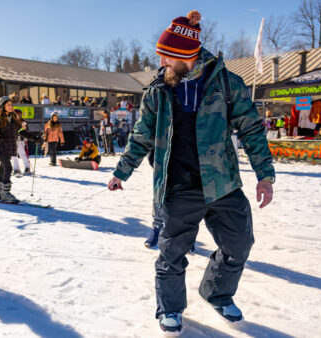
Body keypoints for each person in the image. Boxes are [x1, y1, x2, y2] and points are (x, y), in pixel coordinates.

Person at [107, 10, 275, 335]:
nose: (161, 61)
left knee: (239, 243)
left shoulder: (227, 83)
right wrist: (121, 172)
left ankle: (217, 292)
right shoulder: (158, 90)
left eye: (168, 57)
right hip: (179, 185)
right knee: (171, 252)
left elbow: (252, 129)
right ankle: (170, 308)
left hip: (223, 183)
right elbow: (142, 134)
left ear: (187, 56)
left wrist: (264, 175)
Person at [0, 96, 41, 202]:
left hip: (11, 147)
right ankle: (5, 193)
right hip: (2, 147)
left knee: (3, 168)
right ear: (2, 106)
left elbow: (21, 132)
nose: (11, 106)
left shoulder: (13, 119)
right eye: (8, 105)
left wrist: (34, 138)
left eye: (11, 104)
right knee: (8, 168)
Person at [11, 109, 32, 176]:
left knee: (22, 154)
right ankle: (16, 169)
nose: (18, 116)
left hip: (20, 140)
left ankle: (27, 168)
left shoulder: (23, 122)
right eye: (16, 114)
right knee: (14, 155)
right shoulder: (11, 122)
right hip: (13, 140)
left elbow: (27, 130)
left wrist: (25, 135)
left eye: (19, 114)